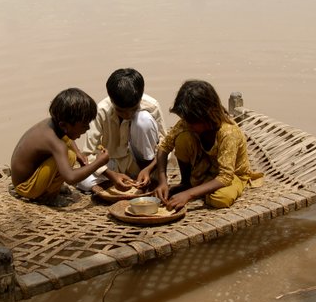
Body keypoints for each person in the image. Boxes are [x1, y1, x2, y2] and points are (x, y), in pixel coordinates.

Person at [143, 80, 262, 211]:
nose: (187, 125)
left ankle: (195, 188)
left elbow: (225, 177)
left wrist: (189, 194)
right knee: (183, 139)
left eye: (192, 123)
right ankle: (187, 183)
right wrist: (162, 180)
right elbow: (164, 148)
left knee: (220, 199)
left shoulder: (228, 132)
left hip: (232, 175)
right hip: (204, 168)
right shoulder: (188, 123)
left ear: (206, 117)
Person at [11, 88, 109, 201]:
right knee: (69, 156)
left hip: (22, 178)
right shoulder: (55, 143)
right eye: (83, 125)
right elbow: (70, 178)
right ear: (63, 125)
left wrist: (79, 153)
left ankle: (46, 185)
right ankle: (47, 196)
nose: (87, 128)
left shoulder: (54, 124)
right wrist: (99, 162)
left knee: (71, 151)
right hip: (25, 187)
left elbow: (68, 138)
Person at [78, 68, 167, 192]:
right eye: (120, 110)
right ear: (111, 100)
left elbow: (165, 147)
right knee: (81, 179)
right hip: (113, 163)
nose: (127, 115)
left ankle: (148, 177)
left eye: (133, 109)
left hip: (141, 163)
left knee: (143, 120)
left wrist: (149, 169)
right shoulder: (101, 110)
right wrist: (111, 174)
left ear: (140, 98)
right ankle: (113, 183)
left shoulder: (152, 106)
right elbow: (89, 153)